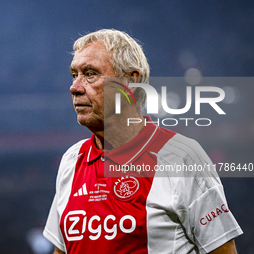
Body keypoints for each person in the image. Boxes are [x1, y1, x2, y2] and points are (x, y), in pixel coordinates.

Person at [43, 29, 243, 254]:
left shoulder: (182, 156)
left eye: (90, 74)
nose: (75, 87)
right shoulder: (72, 160)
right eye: (74, 75)